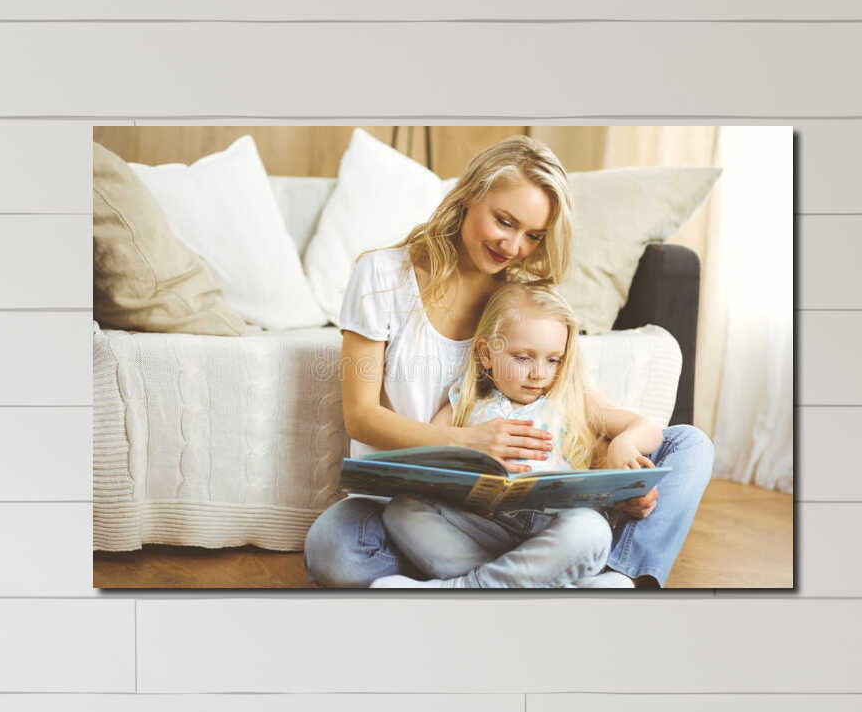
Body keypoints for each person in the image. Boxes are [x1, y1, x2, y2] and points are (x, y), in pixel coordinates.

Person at [303, 135, 711, 589]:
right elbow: (360, 416)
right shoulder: (381, 277)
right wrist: (465, 442)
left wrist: (618, 463)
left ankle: (617, 578)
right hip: (424, 506)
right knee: (332, 547)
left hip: (519, 513)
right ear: (469, 195)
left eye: (533, 235)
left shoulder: (520, 300)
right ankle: (556, 578)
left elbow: (572, 409)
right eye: (505, 221)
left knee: (688, 446)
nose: (513, 246)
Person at [374, 283, 633, 589]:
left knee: (592, 530)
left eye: (553, 360)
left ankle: (465, 590)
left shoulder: (570, 400)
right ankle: (544, 586)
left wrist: (624, 444)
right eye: (523, 358)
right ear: (486, 354)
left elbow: (644, 428)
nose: (539, 373)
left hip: (549, 527)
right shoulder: (465, 402)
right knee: (403, 509)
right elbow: (431, 459)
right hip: (483, 525)